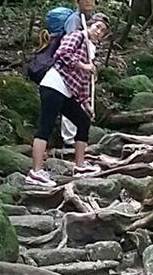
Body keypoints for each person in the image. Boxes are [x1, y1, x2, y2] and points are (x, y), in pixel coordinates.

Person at [25, 17, 109, 187]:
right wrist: (83, 66)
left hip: (67, 91)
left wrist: (86, 103)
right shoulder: (77, 36)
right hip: (54, 85)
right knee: (46, 126)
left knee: (83, 121)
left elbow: (84, 80)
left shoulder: (90, 49)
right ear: (90, 24)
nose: (99, 32)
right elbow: (61, 54)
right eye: (97, 27)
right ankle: (36, 172)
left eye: (103, 31)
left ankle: (80, 166)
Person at [60, 0, 97, 146]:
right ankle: (69, 139)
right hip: (72, 67)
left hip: (83, 66)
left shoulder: (90, 19)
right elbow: (69, 45)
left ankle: (77, 136)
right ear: (77, 1)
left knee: (80, 98)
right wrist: (80, 65)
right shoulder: (74, 20)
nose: (88, 2)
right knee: (71, 98)